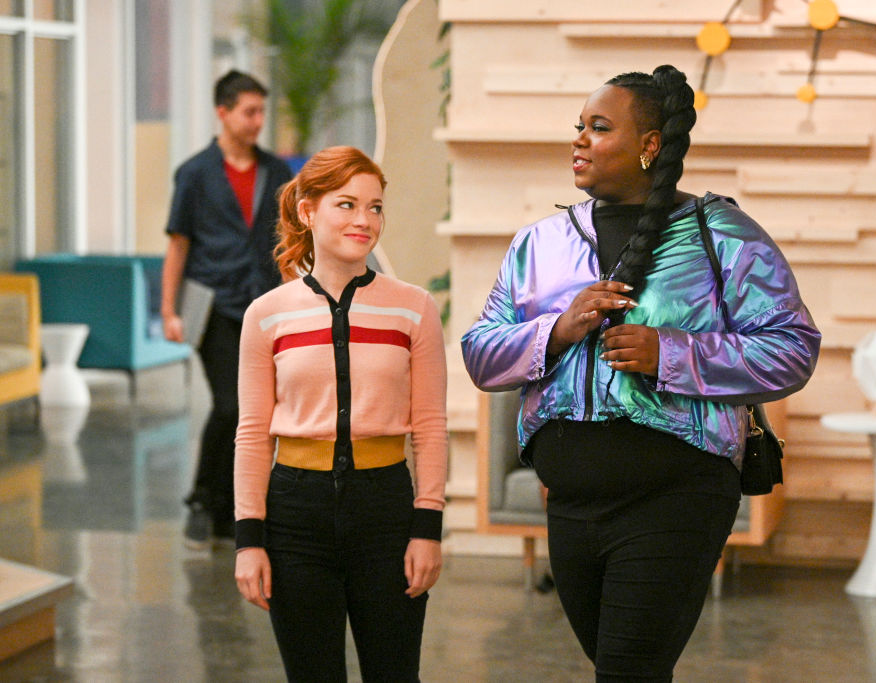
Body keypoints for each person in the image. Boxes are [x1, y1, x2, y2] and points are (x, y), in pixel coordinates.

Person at [461, 65, 821, 681]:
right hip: (570, 505)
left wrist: (672, 355)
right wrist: (557, 329)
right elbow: (479, 354)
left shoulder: (722, 233)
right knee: (625, 670)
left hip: (678, 498)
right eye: (579, 126)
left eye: (599, 128)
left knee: (626, 670)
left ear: (650, 145)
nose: (578, 140)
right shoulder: (539, 244)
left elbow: (792, 348)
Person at [232, 146, 447, 682]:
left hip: (386, 511)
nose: (364, 220)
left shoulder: (413, 308)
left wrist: (428, 527)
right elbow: (253, 434)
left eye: (375, 208)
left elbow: (430, 425)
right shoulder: (266, 315)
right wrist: (249, 540)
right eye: (347, 204)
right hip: (293, 514)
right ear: (308, 210)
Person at [161, 69, 293, 550]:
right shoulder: (194, 173)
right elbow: (178, 244)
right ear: (223, 112)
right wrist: (168, 310)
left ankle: (226, 502)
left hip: (263, 305)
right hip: (212, 305)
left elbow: (286, 242)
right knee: (230, 405)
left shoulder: (277, 172)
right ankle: (204, 494)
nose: (258, 121)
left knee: (255, 410)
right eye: (249, 111)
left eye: (262, 111)